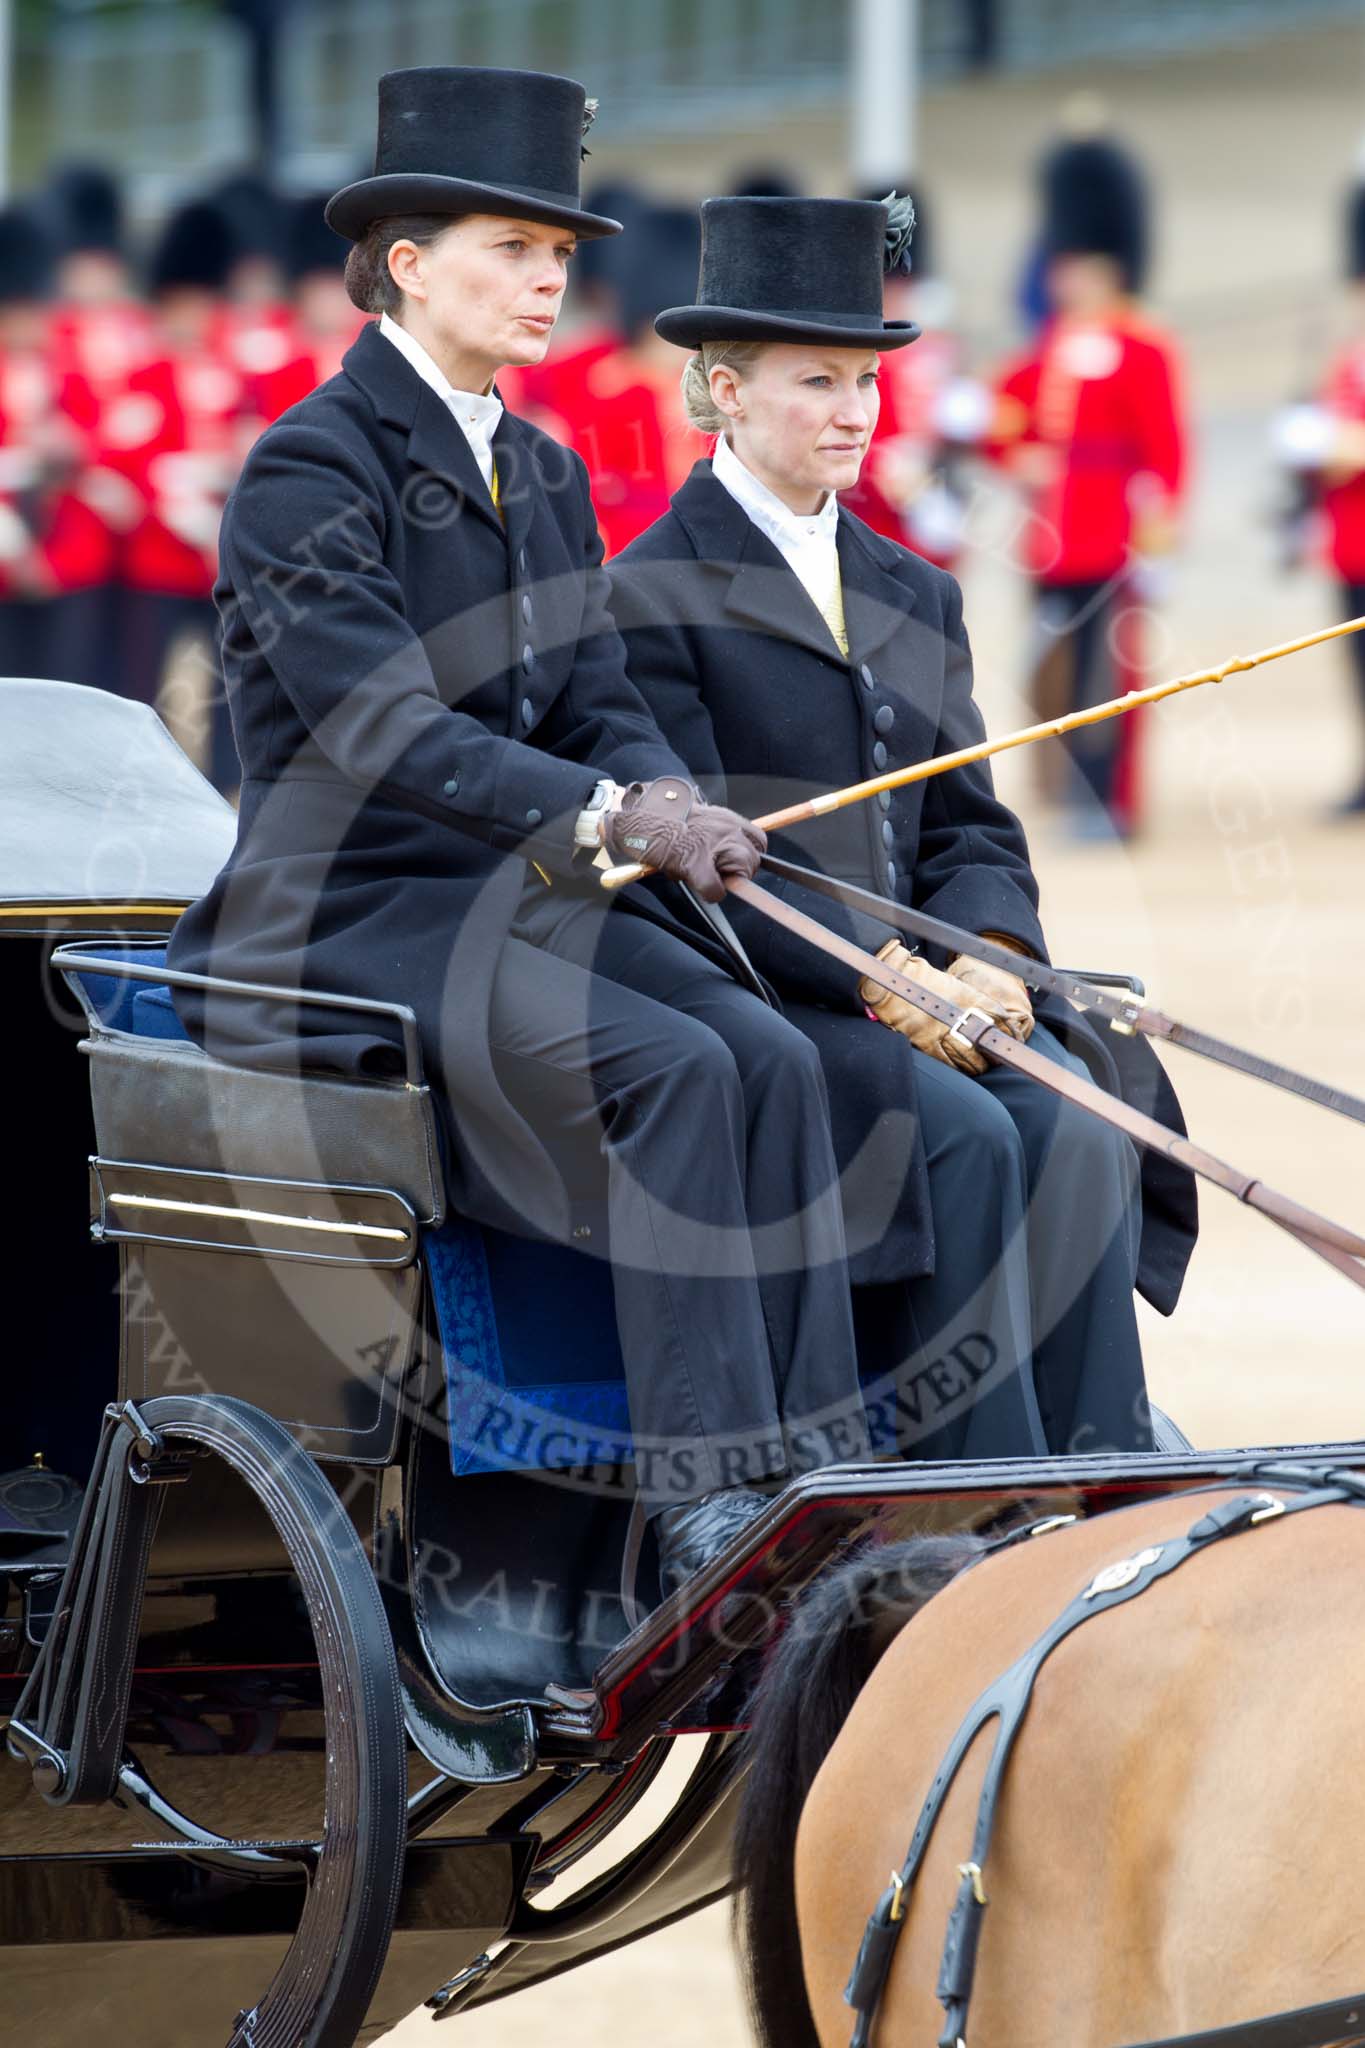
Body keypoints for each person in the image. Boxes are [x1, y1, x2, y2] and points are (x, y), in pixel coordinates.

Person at [164, 67, 871, 1604]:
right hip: (348, 912)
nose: (551, 278)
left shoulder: (544, 470)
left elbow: (597, 697)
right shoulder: (309, 463)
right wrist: (604, 811)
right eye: (511, 248)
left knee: (776, 1050)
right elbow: (382, 733)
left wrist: (668, 800)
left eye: (560, 253)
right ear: (408, 264)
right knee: (678, 1067)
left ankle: (816, 1472)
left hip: (510, 897)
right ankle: (704, 1503)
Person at [610, 193, 1199, 1461]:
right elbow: (698, 876)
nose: (854, 409)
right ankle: (973, 1507)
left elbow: (972, 825)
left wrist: (987, 950)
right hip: (785, 1010)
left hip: (946, 991)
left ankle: (1102, 1479)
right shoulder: (645, 589)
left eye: (867, 377)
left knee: (1085, 1114)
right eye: (816, 380)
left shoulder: (914, 589)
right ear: (720, 389)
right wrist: (886, 983)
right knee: (980, 1137)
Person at [985, 129, 1187, 837]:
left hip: (1114, 535)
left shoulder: (1142, 345)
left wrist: (1158, 537)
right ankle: (1066, 788)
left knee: (1112, 676)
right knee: (1055, 671)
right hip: (1052, 539)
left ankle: (1111, 798)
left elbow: (1165, 448)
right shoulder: (1048, 346)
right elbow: (1002, 417)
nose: (1063, 279)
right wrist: (1014, 457)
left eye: (1076, 267)